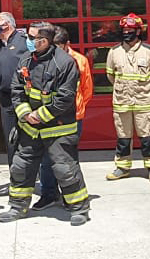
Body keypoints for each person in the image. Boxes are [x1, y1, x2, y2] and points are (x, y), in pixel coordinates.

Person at [0, 21, 90, 225]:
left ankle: (79, 209)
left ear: (45, 40)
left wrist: (39, 115)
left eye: (32, 38)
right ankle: (17, 206)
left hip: (58, 127)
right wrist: (25, 114)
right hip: (29, 128)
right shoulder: (25, 60)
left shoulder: (65, 63)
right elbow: (17, 90)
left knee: (65, 169)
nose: (28, 41)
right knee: (21, 167)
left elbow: (65, 98)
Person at [34, 26, 93, 210]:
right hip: (48, 116)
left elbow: (87, 89)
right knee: (46, 160)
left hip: (72, 118)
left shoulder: (79, 61)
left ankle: (71, 196)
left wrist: (75, 109)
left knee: (67, 159)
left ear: (68, 45)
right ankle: (49, 194)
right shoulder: (43, 59)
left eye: (60, 46)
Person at [105, 13, 150, 181]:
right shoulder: (114, 52)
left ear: (138, 31)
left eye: (130, 29)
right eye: (124, 29)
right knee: (123, 137)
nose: (126, 32)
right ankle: (122, 167)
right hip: (122, 102)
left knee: (147, 136)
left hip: (144, 102)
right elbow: (111, 76)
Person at [0, 11, 28, 170]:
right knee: (10, 138)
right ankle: (15, 171)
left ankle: (32, 171)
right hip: (6, 101)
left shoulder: (24, 43)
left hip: (25, 98)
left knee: (28, 136)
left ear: (7, 24)